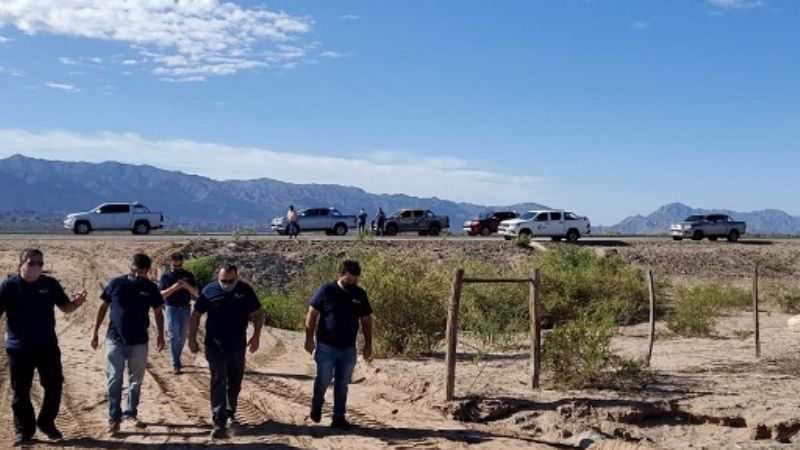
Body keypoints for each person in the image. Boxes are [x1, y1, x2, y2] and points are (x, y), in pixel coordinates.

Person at [0, 249, 88, 445]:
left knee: (54, 385)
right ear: (21, 265)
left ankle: (46, 422)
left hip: (47, 346)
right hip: (18, 348)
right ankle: (24, 431)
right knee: (20, 391)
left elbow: (65, 308)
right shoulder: (8, 286)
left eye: (40, 263)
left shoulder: (50, 284)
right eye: (31, 263)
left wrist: (76, 303)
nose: (36, 267)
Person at [188, 264, 264, 439]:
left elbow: (258, 313)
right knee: (218, 380)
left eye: (231, 281)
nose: (227, 284)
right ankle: (218, 420)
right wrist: (191, 338)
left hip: (237, 346)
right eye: (224, 280)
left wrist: (256, 336)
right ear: (218, 277)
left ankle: (230, 413)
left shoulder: (245, 290)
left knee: (235, 382)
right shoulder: (209, 290)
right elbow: (196, 314)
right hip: (215, 346)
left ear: (237, 278)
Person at [91, 253, 165, 434]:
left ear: (148, 271)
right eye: (134, 270)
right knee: (114, 378)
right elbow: (103, 306)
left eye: (141, 271)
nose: (137, 274)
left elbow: (158, 311)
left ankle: (131, 412)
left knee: (135, 380)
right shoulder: (116, 283)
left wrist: (161, 334)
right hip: (115, 339)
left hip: (139, 341)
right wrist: (95, 332)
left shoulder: (150, 288)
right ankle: (114, 417)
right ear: (130, 267)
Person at [305, 260, 373, 431]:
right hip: (326, 345)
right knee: (324, 378)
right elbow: (312, 313)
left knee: (342, 383)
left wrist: (368, 344)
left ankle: (339, 417)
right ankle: (317, 403)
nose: (351, 283)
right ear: (340, 275)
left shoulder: (359, 294)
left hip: (348, 347)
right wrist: (309, 338)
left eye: (355, 280)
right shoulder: (326, 290)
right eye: (348, 279)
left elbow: (366, 320)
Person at [158, 252, 198, 374]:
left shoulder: (188, 275)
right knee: (173, 335)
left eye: (179, 265)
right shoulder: (165, 277)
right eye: (174, 266)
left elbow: (196, 292)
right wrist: (173, 288)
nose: (177, 268)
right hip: (171, 307)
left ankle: (177, 356)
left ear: (182, 263)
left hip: (185, 307)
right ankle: (176, 363)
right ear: (171, 263)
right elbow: (161, 294)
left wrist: (187, 286)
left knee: (182, 335)